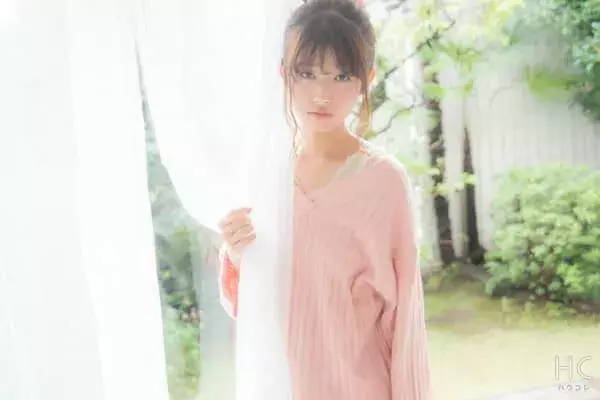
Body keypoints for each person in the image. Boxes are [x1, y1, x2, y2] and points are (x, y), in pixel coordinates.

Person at [217, 0, 430, 398]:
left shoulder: (384, 182)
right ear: (284, 74)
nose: (321, 94)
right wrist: (236, 252)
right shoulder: (267, 178)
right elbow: (250, 310)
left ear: (367, 79)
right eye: (307, 73)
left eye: (342, 75)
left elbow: (406, 325)